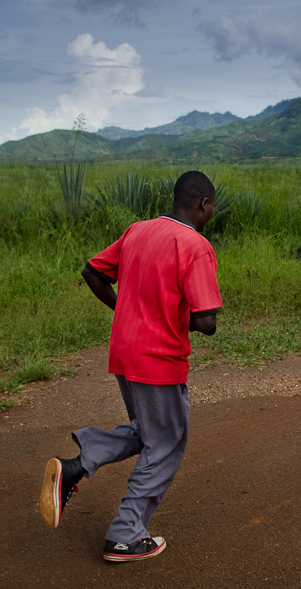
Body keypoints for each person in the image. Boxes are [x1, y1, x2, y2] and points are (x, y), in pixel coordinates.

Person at [39, 170, 222, 562]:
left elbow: (93, 272)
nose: (212, 214)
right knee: (167, 441)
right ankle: (124, 534)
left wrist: (125, 308)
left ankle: (77, 466)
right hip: (158, 358)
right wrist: (170, 317)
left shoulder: (137, 230)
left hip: (125, 350)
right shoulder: (195, 245)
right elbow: (208, 321)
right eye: (212, 207)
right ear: (204, 203)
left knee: (150, 432)